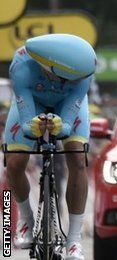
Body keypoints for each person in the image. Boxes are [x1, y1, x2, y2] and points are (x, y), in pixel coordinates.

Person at [4, 33, 96, 260]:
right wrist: (30, 126)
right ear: (50, 67)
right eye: (68, 79)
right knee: (14, 163)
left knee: (77, 158)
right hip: (31, 103)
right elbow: (26, 124)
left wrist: (63, 127)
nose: (73, 82)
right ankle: (25, 218)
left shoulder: (83, 73)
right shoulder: (21, 66)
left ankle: (74, 240)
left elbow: (68, 120)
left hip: (67, 105)